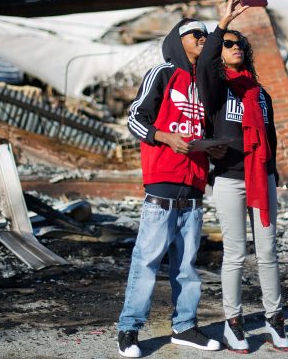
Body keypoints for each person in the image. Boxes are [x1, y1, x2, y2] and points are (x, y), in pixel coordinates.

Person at [116, 18, 225, 358]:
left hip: (193, 190)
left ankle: (185, 327)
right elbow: (135, 118)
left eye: (208, 35)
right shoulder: (162, 72)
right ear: (179, 40)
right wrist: (164, 136)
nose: (204, 39)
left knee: (187, 267)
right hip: (161, 188)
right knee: (146, 262)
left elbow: (203, 130)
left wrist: (211, 147)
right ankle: (129, 330)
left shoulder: (207, 82)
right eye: (197, 34)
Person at [197, 0, 288, 353]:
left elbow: (270, 135)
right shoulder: (217, 90)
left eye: (240, 45)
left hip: (262, 177)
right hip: (229, 178)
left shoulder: (260, 93)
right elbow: (205, 63)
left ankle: (275, 319)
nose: (235, 47)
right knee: (235, 254)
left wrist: (273, 170)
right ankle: (233, 323)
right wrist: (224, 23)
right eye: (229, 44)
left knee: (268, 252)